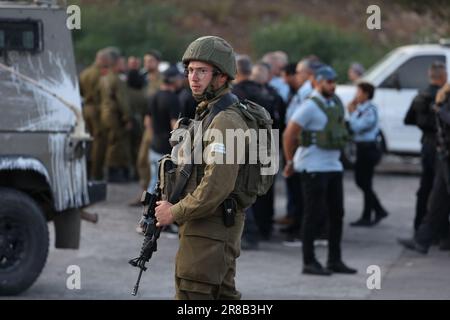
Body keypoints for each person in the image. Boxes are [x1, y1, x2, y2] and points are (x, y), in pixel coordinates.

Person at [154, 36, 253, 299]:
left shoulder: (225, 120)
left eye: (202, 71)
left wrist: (173, 212)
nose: (193, 77)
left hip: (211, 229)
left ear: (221, 77)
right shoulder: (208, 112)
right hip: (205, 228)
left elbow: (216, 187)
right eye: (190, 71)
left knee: (193, 296)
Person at [283, 65, 357, 276]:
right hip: (312, 167)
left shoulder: (335, 103)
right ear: (317, 82)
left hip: (334, 166)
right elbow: (289, 135)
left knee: (337, 215)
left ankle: (334, 259)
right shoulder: (310, 106)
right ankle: (309, 261)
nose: (332, 85)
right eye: (328, 81)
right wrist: (290, 162)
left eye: (334, 81)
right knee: (312, 215)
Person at [398, 83, 450, 254]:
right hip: (444, 155)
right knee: (437, 200)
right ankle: (423, 240)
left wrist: (439, 110)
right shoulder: (443, 98)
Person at [404, 61, 448, 235]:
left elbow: (408, 119)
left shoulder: (420, 96)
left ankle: (419, 229)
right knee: (441, 190)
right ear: (443, 77)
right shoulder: (443, 97)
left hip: (426, 145)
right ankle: (441, 234)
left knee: (426, 188)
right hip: (440, 146)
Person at [347, 82, 388, 227]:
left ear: (366, 94)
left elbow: (358, 127)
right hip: (361, 148)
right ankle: (374, 211)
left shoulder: (370, 109)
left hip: (368, 149)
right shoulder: (361, 109)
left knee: (364, 182)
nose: (355, 95)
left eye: (358, 92)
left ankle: (372, 213)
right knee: (363, 182)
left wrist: (351, 113)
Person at [99, 48, 132, 182]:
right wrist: (127, 118)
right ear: (117, 63)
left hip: (105, 113)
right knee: (116, 143)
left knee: (111, 141)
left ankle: (111, 171)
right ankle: (113, 173)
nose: (123, 65)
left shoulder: (104, 78)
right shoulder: (117, 80)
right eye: (122, 62)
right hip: (114, 115)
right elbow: (122, 101)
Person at [79, 48, 109, 180]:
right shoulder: (101, 74)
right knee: (99, 142)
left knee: (88, 141)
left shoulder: (84, 73)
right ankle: (96, 173)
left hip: (86, 108)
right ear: (102, 59)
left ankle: (86, 170)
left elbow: (79, 91)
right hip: (97, 110)